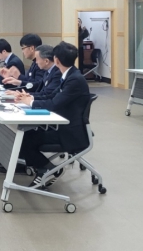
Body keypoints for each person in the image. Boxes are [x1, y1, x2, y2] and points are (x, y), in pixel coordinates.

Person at [15, 42, 91, 188]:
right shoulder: (69, 75)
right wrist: (30, 98)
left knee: (25, 139)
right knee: (26, 135)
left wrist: (31, 102)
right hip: (61, 125)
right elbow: (51, 96)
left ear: (56, 60)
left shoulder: (74, 79)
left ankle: (48, 170)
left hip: (69, 131)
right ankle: (44, 169)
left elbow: (54, 104)